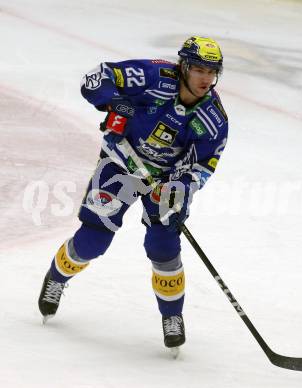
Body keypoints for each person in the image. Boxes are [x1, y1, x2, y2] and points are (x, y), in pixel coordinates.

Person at [38, 36, 229, 350]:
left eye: (212, 71)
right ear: (183, 66)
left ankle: (172, 316)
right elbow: (96, 77)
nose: (206, 78)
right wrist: (115, 101)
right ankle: (56, 278)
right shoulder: (153, 77)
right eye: (199, 69)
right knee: (93, 240)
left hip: (166, 181)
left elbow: (206, 163)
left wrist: (180, 188)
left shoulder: (214, 119)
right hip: (120, 164)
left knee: (163, 248)